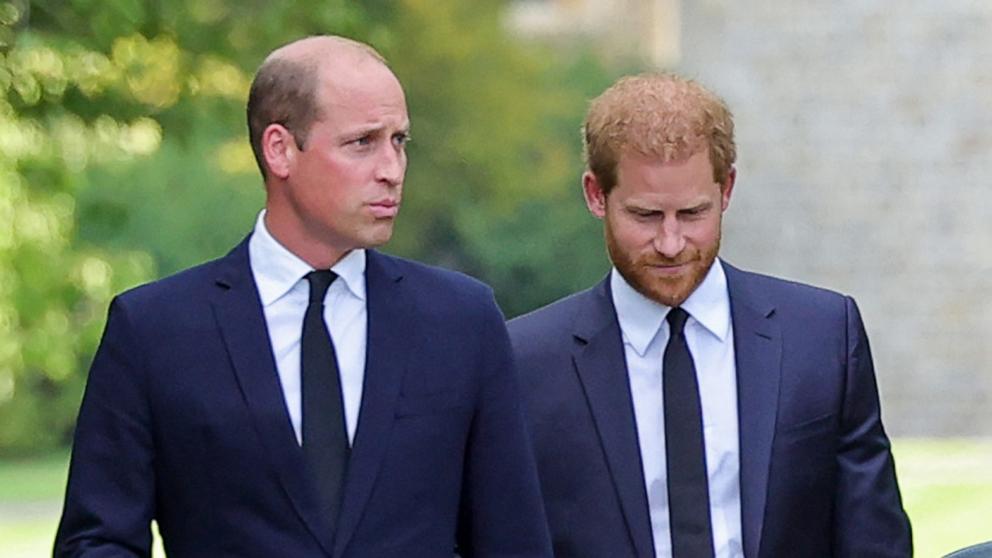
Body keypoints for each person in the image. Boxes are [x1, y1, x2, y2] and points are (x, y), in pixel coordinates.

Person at [54, 35, 552, 558]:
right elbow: (95, 542)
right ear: (280, 149)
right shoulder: (154, 329)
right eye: (363, 142)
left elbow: (513, 539)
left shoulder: (462, 320)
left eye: (400, 141)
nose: (392, 168)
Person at [508, 73, 912, 557]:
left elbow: (873, 539)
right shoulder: (525, 362)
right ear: (596, 195)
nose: (671, 243)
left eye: (693, 213)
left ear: (727, 190)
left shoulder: (822, 337)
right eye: (646, 216)